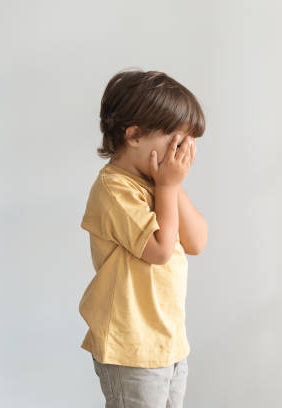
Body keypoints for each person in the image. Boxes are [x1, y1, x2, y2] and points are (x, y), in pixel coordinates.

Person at [79, 70, 208, 408]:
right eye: (176, 142)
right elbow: (161, 250)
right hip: (131, 346)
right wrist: (166, 186)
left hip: (168, 342)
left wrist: (170, 185)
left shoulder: (160, 184)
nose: (182, 154)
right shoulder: (114, 188)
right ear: (134, 135)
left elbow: (196, 241)